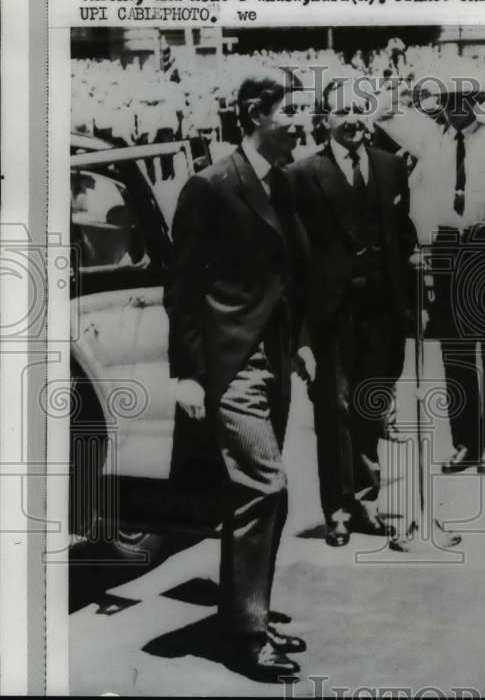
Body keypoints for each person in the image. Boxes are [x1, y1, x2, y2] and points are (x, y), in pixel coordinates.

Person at [165, 72, 311, 682]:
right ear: (255, 114)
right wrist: (188, 375)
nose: (302, 122)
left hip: (273, 358)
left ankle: (241, 613)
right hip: (230, 365)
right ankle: (246, 636)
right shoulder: (212, 186)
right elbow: (183, 288)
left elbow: (288, 275)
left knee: (259, 496)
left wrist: (300, 344)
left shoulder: (286, 183)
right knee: (265, 487)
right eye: (292, 111)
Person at [287, 78, 415, 548]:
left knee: (369, 405)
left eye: (362, 108)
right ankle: (338, 508)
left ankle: (367, 501)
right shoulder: (302, 175)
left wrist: (413, 293)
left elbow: (401, 237)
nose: (354, 119)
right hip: (331, 316)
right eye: (343, 110)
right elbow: (295, 264)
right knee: (334, 409)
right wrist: (300, 334)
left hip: (381, 310)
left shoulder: (390, 167)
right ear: (324, 119)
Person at [408, 83, 485, 474]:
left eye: (459, 100)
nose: (452, 109)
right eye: (446, 101)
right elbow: (420, 191)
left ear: (475, 100)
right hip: (449, 243)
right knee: (455, 349)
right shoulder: (434, 142)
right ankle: (465, 441)